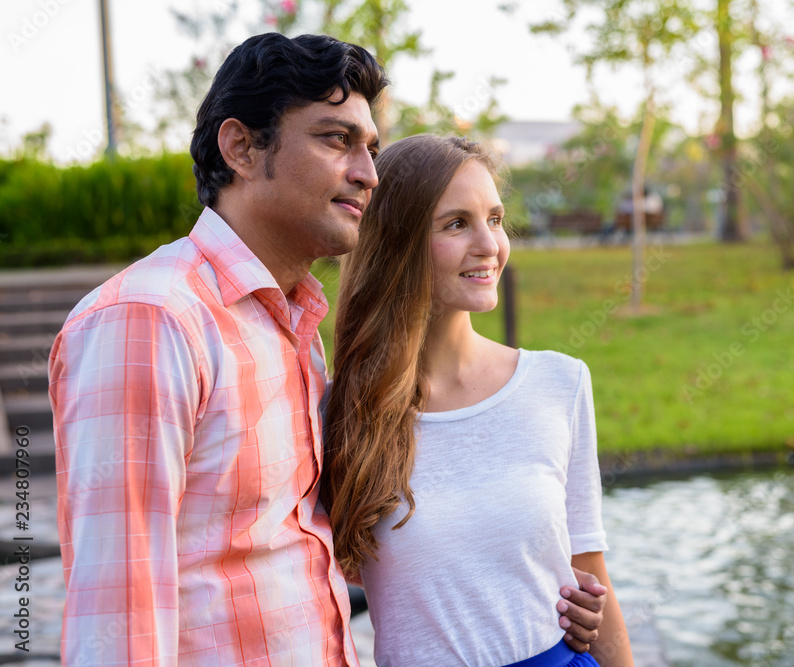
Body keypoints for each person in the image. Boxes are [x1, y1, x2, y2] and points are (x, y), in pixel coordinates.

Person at [48, 34, 604, 665]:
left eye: (369, 146)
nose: (369, 173)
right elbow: (118, 620)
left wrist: (537, 598)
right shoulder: (152, 321)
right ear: (242, 148)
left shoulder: (291, 327)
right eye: (336, 139)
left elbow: (311, 544)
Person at [322, 134, 635, 666]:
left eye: (494, 218)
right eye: (456, 223)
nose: (490, 244)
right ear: (396, 244)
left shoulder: (560, 384)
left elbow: (589, 568)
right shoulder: (341, 411)